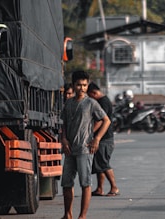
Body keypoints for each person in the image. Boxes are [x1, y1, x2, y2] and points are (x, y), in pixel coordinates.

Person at [60, 71, 111, 219]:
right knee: (67, 183)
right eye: (78, 85)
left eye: (84, 85)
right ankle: (67, 214)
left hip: (85, 149)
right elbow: (64, 124)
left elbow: (106, 121)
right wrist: (63, 139)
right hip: (70, 149)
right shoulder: (68, 103)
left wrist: (97, 139)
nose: (81, 88)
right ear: (73, 85)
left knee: (85, 183)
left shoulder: (91, 103)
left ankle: (82, 216)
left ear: (87, 85)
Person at [87, 82, 120, 197]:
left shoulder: (103, 102)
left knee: (104, 163)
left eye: (89, 95)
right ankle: (100, 188)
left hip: (105, 138)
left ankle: (114, 187)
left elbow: (101, 120)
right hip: (102, 138)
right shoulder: (102, 101)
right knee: (98, 164)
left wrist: (90, 133)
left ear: (94, 93)